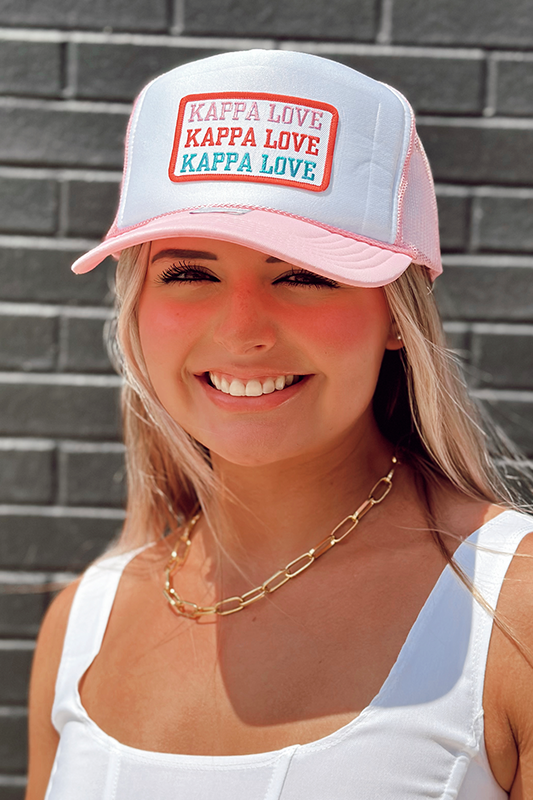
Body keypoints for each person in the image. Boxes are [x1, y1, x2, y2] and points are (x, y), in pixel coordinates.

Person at [26, 50, 533, 799]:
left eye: (303, 275)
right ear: (136, 307)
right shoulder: (80, 625)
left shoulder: (513, 611)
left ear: (397, 316)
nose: (242, 331)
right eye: (189, 273)